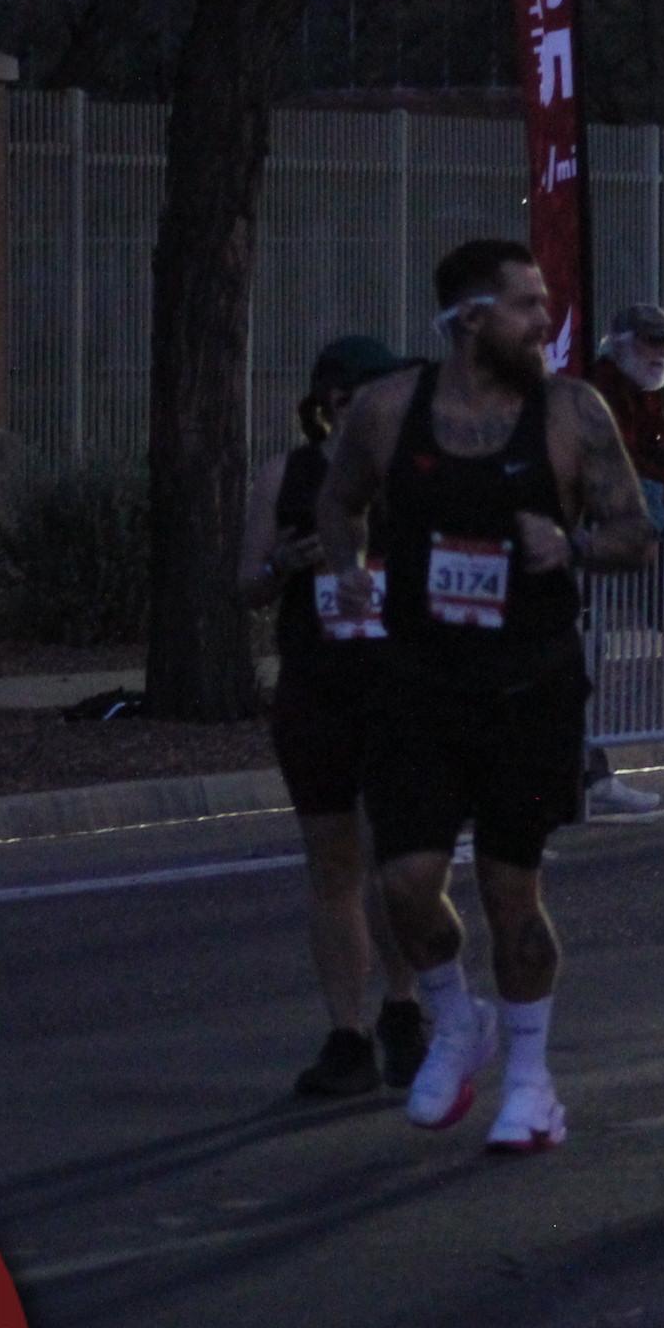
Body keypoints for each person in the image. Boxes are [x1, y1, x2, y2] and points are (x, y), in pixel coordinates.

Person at [316, 239, 658, 1151]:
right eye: (527, 306)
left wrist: (572, 547)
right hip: (418, 682)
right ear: (472, 320)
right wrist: (348, 569)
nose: (546, 322)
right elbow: (338, 501)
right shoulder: (391, 410)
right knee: (404, 882)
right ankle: (456, 1017)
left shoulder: (571, 413)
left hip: (529, 685)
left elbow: (636, 534)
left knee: (513, 890)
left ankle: (532, 1081)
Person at [244, 334, 426, 1099]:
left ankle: (405, 1007)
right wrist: (284, 562)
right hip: (317, 688)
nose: (355, 413)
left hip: (399, 688)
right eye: (342, 399)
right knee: (332, 864)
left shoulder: (416, 476)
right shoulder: (285, 475)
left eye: (371, 398)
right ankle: (347, 1034)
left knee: (395, 859)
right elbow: (246, 584)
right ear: (322, 404)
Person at [580, 303, 664, 816]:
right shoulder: (603, 391)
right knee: (576, 661)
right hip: (587, 549)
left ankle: (591, 774)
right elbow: (626, 464)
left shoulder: (643, 393)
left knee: (584, 661)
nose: (660, 354)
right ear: (620, 345)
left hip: (601, 554)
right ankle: (586, 775)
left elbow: (660, 452)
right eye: (650, 343)